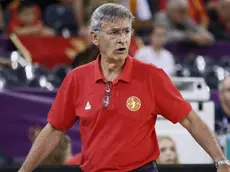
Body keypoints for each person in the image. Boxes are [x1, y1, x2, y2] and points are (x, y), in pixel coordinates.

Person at [18, 3, 230, 172]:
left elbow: (190, 120)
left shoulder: (151, 76)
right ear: (94, 37)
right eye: (114, 32)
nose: (122, 39)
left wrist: (220, 161)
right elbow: (54, 130)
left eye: (126, 31)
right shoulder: (76, 79)